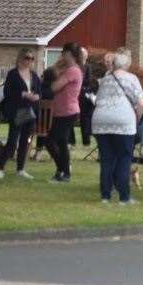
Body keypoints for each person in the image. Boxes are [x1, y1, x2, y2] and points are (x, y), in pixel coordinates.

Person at [92, 48, 143, 204]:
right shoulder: (132, 78)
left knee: (107, 159)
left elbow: (97, 101)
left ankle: (105, 196)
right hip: (122, 121)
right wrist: (137, 118)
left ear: (114, 65)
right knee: (124, 158)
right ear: (127, 65)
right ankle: (124, 197)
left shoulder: (106, 79)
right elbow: (141, 103)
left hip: (101, 121)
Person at [0, 49, 41, 179]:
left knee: (24, 141)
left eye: (32, 58)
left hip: (30, 110)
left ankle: (20, 169)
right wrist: (23, 94)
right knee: (12, 141)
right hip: (17, 111)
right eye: (27, 58)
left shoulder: (34, 75)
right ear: (21, 58)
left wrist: (36, 96)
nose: (30, 61)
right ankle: (0, 168)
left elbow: (39, 91)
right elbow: (7, 92)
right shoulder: (13, 74)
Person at [47, 43, 84, 182]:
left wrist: (56, 70)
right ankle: (63, 172)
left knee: (50, 141)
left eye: (64, 53)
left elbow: (55, 87)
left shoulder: (73, 70)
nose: (62, 55)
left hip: (68, 111)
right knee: (61, 143)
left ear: (70, 54)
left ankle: (63, 169)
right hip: (61, 110)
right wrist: (57, 66)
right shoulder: (67, 69)